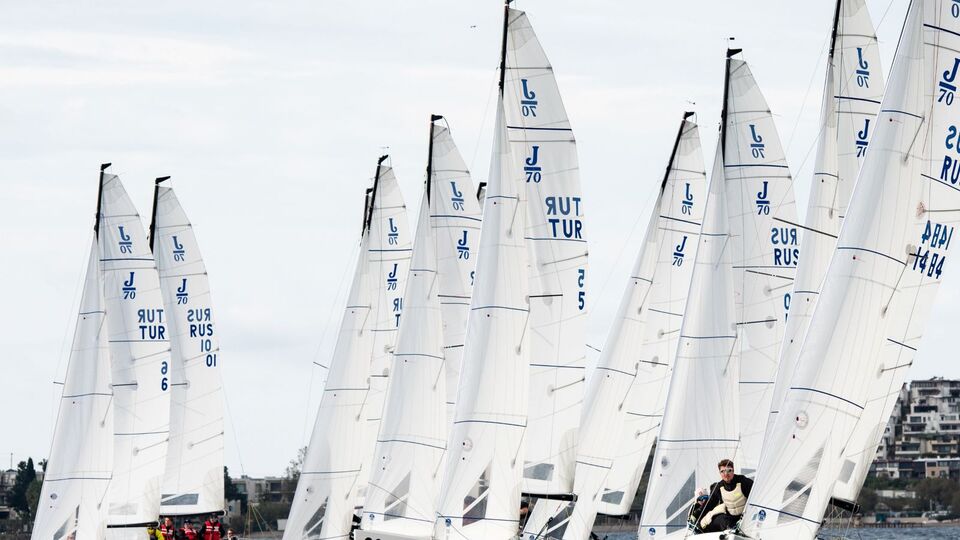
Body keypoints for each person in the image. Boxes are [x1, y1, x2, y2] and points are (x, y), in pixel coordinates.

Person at [697, 459, 753, 533]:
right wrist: (697, 515)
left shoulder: (743, 482)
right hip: (729, 521)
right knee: (719, 519)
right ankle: (730, 530)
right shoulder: (719, 487)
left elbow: (756, 494)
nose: (726, 474)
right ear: (719, 473)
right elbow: (709, 504)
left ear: (733, 470)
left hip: (745, 519)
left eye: (729, 470)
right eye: (722, 471)